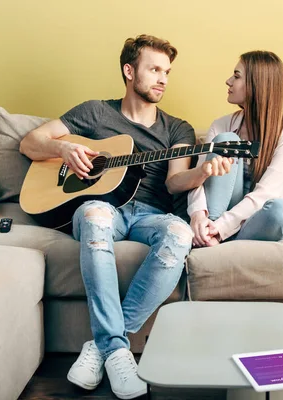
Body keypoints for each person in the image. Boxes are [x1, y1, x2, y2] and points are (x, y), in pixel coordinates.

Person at [19, 35, 230, 399]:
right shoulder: (95, 113)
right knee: (97, 213)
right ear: (129, 71)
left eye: (167, 71)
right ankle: (119, 351)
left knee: (179, 235)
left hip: (151, 215)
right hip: (103, 209)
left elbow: (176, 180)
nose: (163, 78)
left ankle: (104, 347)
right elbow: (29, 143)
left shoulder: (176, 128)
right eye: (154, 69)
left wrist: (203, 173)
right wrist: (63, 147)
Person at [187, 51, 283, 247]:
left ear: (256, 84)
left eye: (236, 76)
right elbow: (198, 178)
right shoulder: (221, 125)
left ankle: (218, 239)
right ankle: (211, 240)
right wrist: (198, 216)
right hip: (217, 217)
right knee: (227, 140)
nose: (228, 81)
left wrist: (221, 228)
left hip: (256, 221)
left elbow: (267, 193)